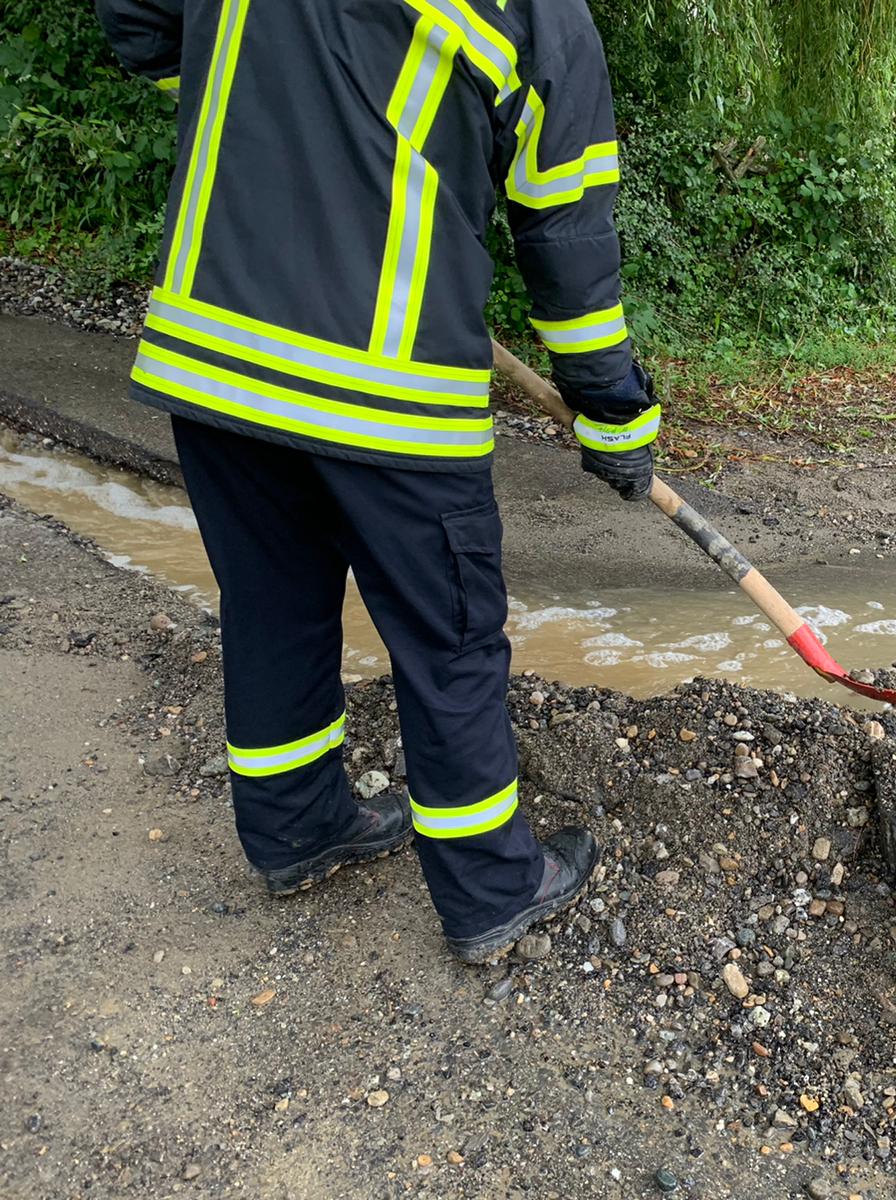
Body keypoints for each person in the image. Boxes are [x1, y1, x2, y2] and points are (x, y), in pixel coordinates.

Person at [94, 0, 655, 962]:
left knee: (271, 601)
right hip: (386, 389)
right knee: (450, 639)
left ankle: (298, 830)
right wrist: (615, 413)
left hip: (215, 351)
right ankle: (491, 889)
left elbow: (136, 21)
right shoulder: (539, 14)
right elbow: (566, 232)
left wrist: (280, 120)